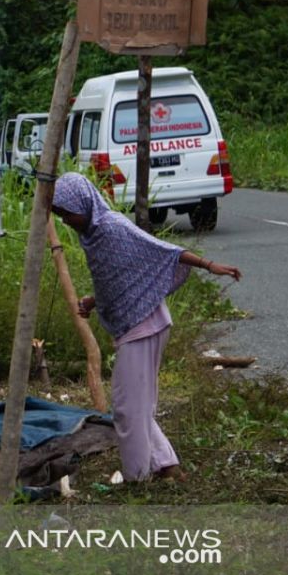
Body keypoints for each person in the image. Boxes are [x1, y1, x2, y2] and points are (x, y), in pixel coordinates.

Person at [50, 173, 241, 482]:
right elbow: (120, 278)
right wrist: (94, 301)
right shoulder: (95, 234)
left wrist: (208, 266)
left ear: (83, 203)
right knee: (137, 405)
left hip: (144, 325)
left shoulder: (112, 227)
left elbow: (161, 251)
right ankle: (167, 467)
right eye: (60, 216)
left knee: (126, 410)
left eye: (67, 213)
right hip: (141, 324)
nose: (66, 221)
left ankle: (137, 478)